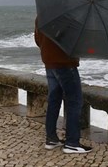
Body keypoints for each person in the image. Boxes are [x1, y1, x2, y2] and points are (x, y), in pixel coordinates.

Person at [34, 18, 92, 154]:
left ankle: (51, 139)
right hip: (65, 64)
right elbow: (74, 43)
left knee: (54, 100)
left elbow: (38, 40)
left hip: (49, 63)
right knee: (75, 101)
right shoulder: (68, 19)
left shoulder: (42, 16)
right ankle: (72, 143)